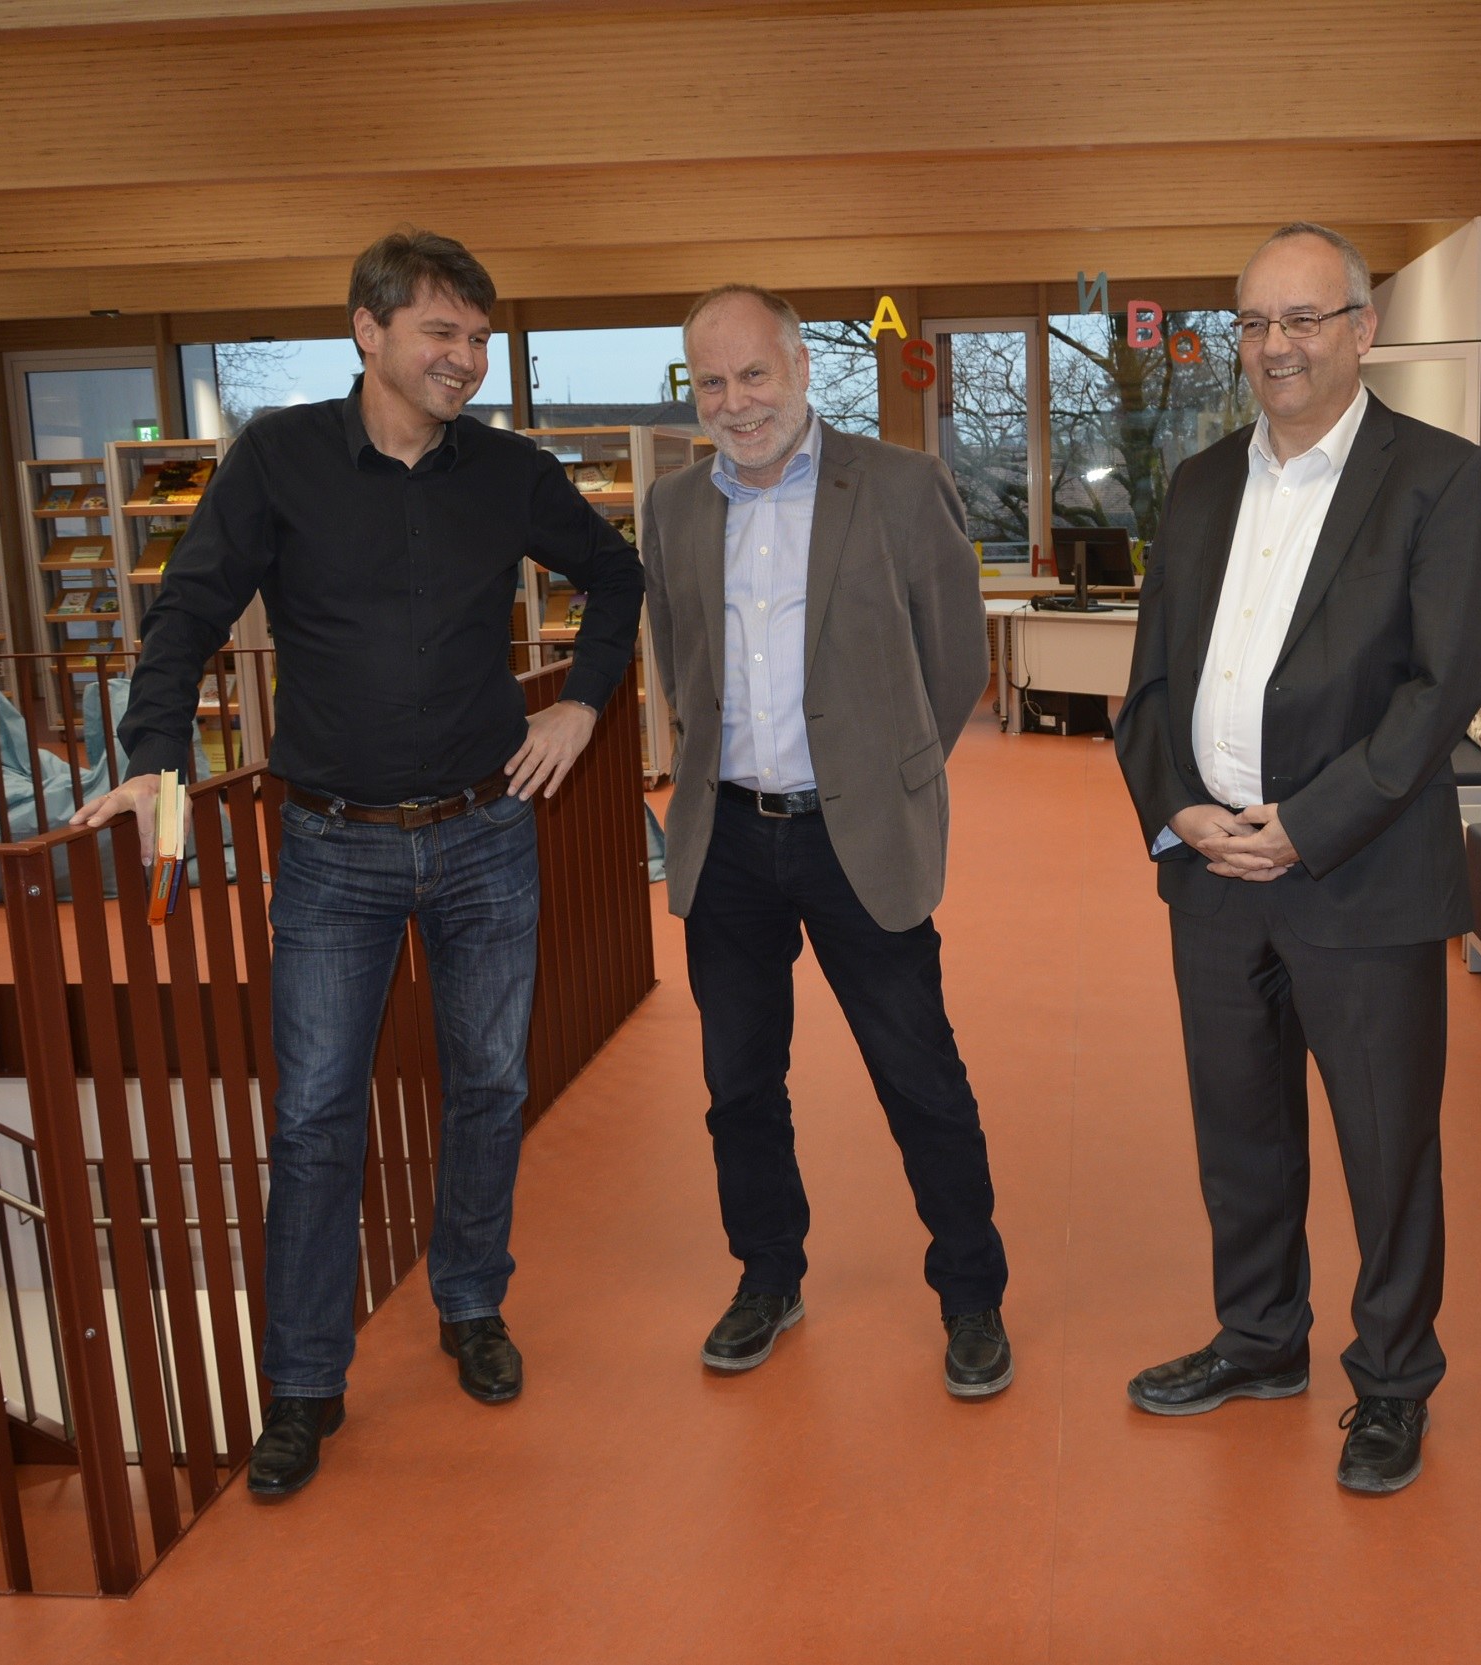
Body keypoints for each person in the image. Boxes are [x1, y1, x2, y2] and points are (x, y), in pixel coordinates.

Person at [74, 229, 644, 1498]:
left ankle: (471, 1303)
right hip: (333, 848)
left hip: (488, 833)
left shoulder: (508, 472)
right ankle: (303, 1381)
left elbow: (617, 576)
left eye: (479, 338)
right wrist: (157, 756)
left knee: (490, 1085)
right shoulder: (276, 460)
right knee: (317, 1115)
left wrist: (581, 704)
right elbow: (189, 610)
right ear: (368, 331)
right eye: (443, 332)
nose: (466, 359)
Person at [1113, 223, 1481, 1494]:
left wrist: (1311, 823)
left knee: (1387, 1150)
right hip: (1212, 874)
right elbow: (1153, 681)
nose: (1276, 346)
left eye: (1304, 318)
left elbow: (1439, 692)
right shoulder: (1197, 485)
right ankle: (1260, 1339)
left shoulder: (1444, 479)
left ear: (1362, 330)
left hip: (1361, 874)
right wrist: (1180, 808)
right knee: (1239, 1132)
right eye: (1254, 323)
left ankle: (1391, 1382)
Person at [641, 284, 1012, 1397]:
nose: (736, 403)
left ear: (802, 368)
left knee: (919, 1075)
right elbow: (680, 660)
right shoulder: (672, 508)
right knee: (740, 1084)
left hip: (858, 840)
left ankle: (972, 1294)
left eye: (754, 374)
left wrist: (887, 772)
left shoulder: (897, 485)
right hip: (727, 842)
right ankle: (768, 1275)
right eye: (712, 382)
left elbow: (956, 657)